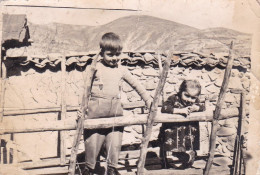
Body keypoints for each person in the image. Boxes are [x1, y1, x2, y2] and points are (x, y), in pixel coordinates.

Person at [82, 32, 151, 175]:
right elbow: (84, 91)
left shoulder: (121, 70)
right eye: (110, 55)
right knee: (93, 143)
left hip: (115, 114)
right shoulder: (95, 68)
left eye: (117, 55)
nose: (114, 58)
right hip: (95, 115)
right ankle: (88, 168)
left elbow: (137, 85)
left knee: (115, 143)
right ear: (102, 53)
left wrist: (148, 100)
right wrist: (80, 109)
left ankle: (112, 169)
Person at [160, 79, 205, 169]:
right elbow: (164, 108)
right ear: (180, 92)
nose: (189, 100)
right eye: (187, 96)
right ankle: (185, 158)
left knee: (187, 147)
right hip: (174, 131)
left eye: (193, 98)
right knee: (174, 150)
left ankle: (188, 159)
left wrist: (196, 108)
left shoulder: (195, 102)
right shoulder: (173, 98)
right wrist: (180, 111)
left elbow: (203, 106)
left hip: (188, 131)